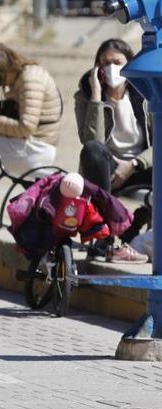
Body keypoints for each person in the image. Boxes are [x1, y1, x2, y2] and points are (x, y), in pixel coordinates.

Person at [75, 38, 152, 261]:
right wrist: (97, 96)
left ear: (129, 63)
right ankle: (104, 234)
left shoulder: (146, 94)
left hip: (140, 164)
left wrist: (134, 164)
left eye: (116, 62)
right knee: (92, 151)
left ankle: (139, 232)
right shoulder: (85, 95)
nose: (110, 68)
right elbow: (91, 140)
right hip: (105, 166)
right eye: (104, 63)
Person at [0, 40, 62, 178]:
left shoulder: (30, 78)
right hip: (31, 145)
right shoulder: (20, 77)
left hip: (36, 149)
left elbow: (26, 128)